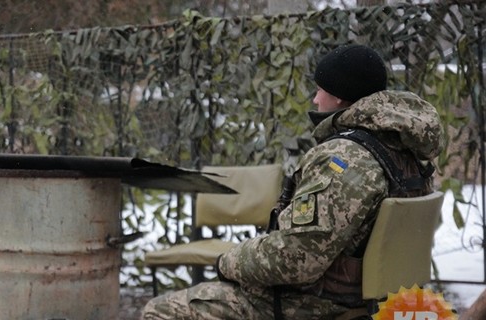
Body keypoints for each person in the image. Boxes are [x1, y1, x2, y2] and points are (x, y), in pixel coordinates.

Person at [141, 44, 445, 320]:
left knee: (160, 311)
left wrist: (228, 260)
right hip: (373, 299)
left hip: (315, 305)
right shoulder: (405, 152)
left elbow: (298, 259)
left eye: (319, 90)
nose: (315, 98)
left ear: (338, 95)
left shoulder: (342, 159)